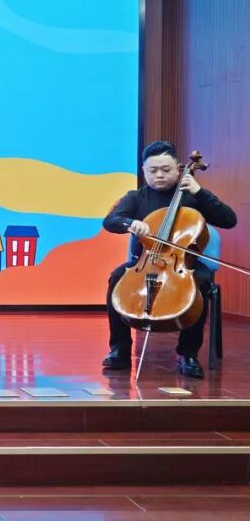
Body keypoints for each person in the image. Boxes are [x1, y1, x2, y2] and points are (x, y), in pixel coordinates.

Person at [101, 140, 237, 378]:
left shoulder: (193, 197)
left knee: (201, 284)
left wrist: (200, 192)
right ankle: (120, 350)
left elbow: (229, 220)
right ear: (144, 171)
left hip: (184, 264)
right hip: (145, 261)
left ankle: (188, 354)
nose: (159, 175)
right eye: (153, 170)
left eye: (166, 169)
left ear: (178, 168)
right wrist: (130, 223)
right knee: (117, 277)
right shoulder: (136, 197)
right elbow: (110, 221)